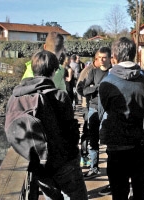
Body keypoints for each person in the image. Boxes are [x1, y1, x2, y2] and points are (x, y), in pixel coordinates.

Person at [14, 50, 88, 199]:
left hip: (38, 163)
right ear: (55, 70)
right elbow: (71, 130)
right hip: (64, 162)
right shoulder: (60, 96)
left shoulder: (19, 95)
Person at [98, 37, 144, 200]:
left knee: (119, 193)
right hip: (140, 144)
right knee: (141, 190)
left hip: (117, 146)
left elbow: (102, 113)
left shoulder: (107, 83)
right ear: (134, 54)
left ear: (114, 56)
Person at [81, 47, 112, 179]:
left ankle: (113, 171)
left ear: (110, 58)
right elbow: (84, 90)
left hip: (108, 109)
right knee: (93, 139)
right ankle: (94, 168)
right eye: (99, 58)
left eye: (104, 57)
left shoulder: (113, 73)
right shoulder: (93, 72)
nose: (101, 60)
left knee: (110, 141)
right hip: (93, 108)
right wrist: (95, 88)